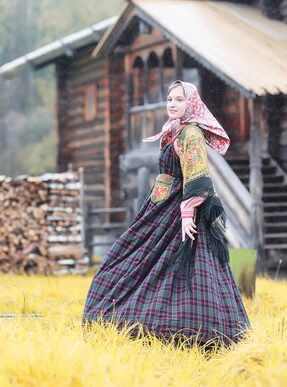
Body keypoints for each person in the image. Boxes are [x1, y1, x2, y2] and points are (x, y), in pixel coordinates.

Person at [83, 80, 250, 346]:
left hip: (180, 208)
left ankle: (187, 327)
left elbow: (197, 175)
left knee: (187, 267)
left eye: (179, 100)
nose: (172, 104)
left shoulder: (190, 134)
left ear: (191, 104)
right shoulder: (175, 129)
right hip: (161, 205)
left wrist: (187, 215)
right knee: (136, 258)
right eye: (170, 99)